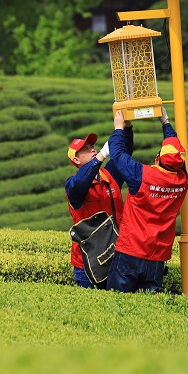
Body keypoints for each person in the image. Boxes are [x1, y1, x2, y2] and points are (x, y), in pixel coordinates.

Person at [106, 107, 188, 293]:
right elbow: (176, 152)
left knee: (116, 301)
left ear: (157, 157)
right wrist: (166, 123)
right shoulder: (183, 180)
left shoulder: (142, 175)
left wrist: (120, 129)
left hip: (130, 250)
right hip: (157, 256)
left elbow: (118, 156)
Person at [65, 122, 133, 289]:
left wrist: (126, 128)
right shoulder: (73, 185)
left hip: (117, 256)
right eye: (86, 149)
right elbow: (82, 181)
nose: (93, 149)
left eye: (93, 147)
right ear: (76, 159)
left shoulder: (109, 176)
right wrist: (101, 156)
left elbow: (125, 153)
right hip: (87, 264)